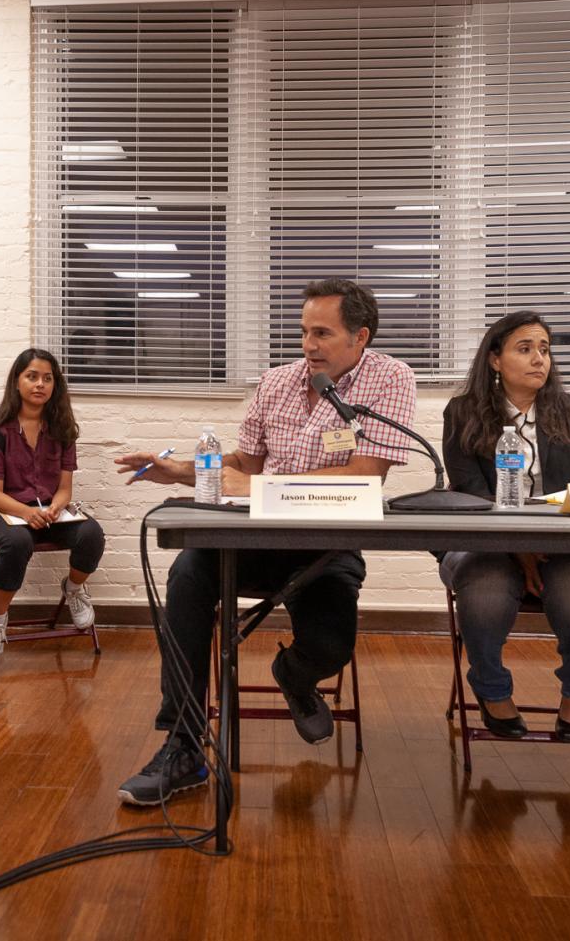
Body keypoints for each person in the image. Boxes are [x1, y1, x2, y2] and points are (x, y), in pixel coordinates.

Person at [112, 278, 415, 805]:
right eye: (303, 332)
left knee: (329, 646)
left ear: (360, 336)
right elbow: (244, 465)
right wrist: (181, 470)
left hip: (326, 549)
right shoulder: (276, 382)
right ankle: (182, 746)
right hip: (255, 541)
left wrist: (259, 486)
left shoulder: (391, 379)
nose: (308, 345)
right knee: (187, 572)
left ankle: (292, 675)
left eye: (322, 333)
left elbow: (364, 476)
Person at [440, 311, 570, 742]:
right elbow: (470, 493)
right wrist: (521, 548)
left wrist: (541, 543)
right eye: (525, 348)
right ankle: (492, 690)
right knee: (483, 593)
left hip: (567, 543)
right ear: (495, 360)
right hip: (487, 544)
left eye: (545, 350)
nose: (539, 359)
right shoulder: (463, 413)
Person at [0, 348, 106, 667]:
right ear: (16, 382)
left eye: (47, 378)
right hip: (5, 513)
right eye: (32, 376)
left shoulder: (62, 430)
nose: (40, 384)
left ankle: (73, 588)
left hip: (50, 512)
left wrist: (55, 508)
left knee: (92, 533)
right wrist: (27, 512)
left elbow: (64, 489)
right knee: (17, 543)